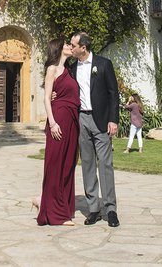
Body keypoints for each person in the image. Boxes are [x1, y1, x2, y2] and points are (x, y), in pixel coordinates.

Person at [68, 31, 120, 227]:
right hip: (82, 119)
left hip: (101, 120)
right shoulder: (72, 69)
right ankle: (93, 209)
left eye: (73, 45)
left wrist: (113, 120)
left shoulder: (104, 64)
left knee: (105, 164)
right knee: (88, 164)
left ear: (84, 47)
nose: (71, 48)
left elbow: (113, 94)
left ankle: (111, 209)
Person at [35, 36, 79, 226]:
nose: (70, 47)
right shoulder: (52, 69)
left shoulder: (69, 70)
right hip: (58, 121)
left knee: (68, 164)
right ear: (59, 48)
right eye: (67, 45)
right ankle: (55, 213)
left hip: (72, 122)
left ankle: (43, 200)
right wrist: (52, 123)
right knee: (55, 163)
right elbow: (46, 97)